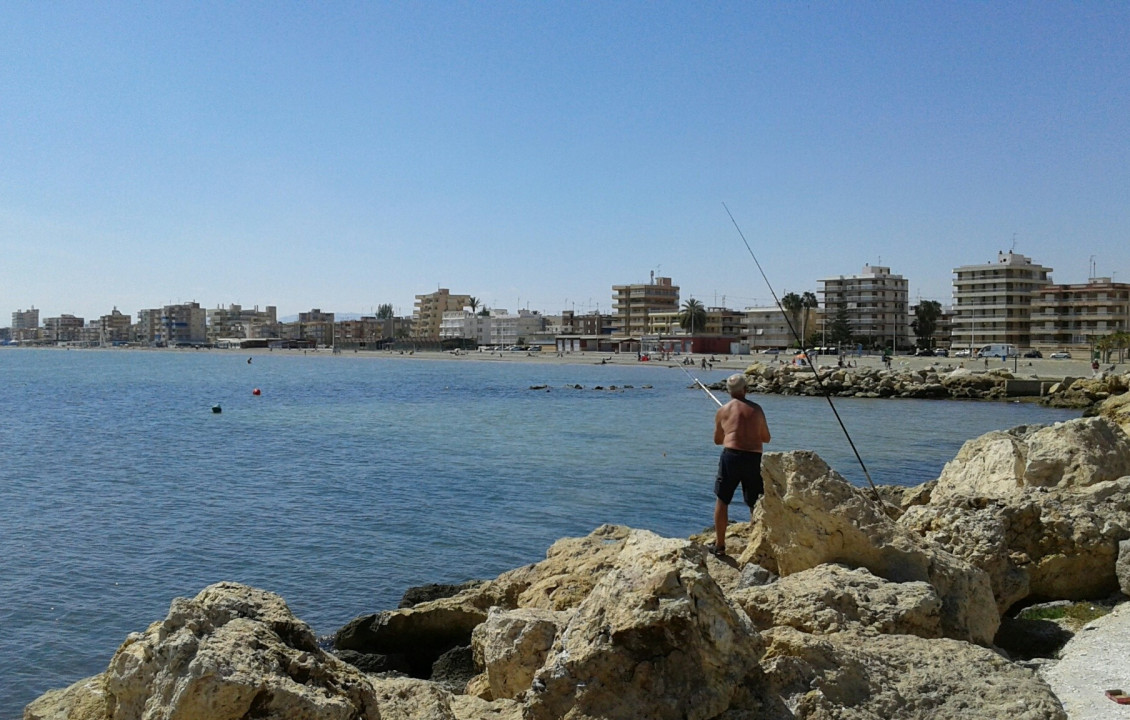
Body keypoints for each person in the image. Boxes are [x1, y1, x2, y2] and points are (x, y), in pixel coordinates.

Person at [709, 374, 771, 557]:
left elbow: (717, 440)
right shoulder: (757, 409)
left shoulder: (723, 411)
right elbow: (766, 438)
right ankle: (756, 543)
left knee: (722, 499)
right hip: (753, 457)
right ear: (745, 390)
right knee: (755, 502)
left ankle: (720, 545)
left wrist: (728, 429)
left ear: (729, 391)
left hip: (731, 457)